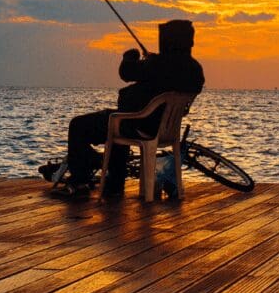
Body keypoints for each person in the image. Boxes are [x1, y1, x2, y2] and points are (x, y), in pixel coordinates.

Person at [51, 19, 205, 199]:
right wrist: (153, 60)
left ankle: (80, 181)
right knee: (121, 120)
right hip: (163, 129)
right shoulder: (194, 69)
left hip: (140, 125)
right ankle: (112, 183)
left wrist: (130, 55)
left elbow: (126, 72)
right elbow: (167, 74)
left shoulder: (158, 65)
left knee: (78, 125)